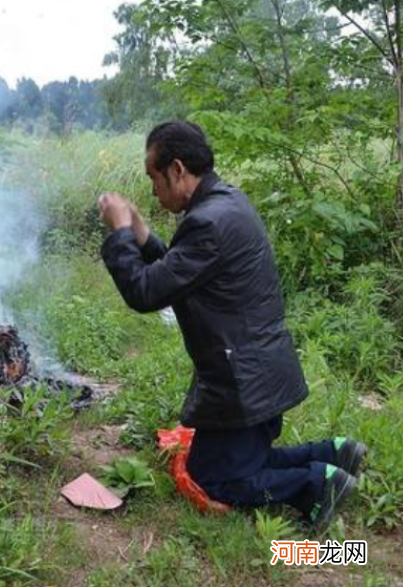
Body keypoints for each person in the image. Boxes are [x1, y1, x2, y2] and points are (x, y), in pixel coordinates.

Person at [97, 120, 366, 532]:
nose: (152, 189)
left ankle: (318, 484)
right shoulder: (225, 204)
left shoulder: (208, 221)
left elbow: (145, 292)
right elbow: (180, 270)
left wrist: (119, 235)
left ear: (178, 170)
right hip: (257, 371)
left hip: (243, 382)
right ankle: (335, 454)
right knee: (239, 463)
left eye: (154, 176)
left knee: (216, 479)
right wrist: (141, 234)